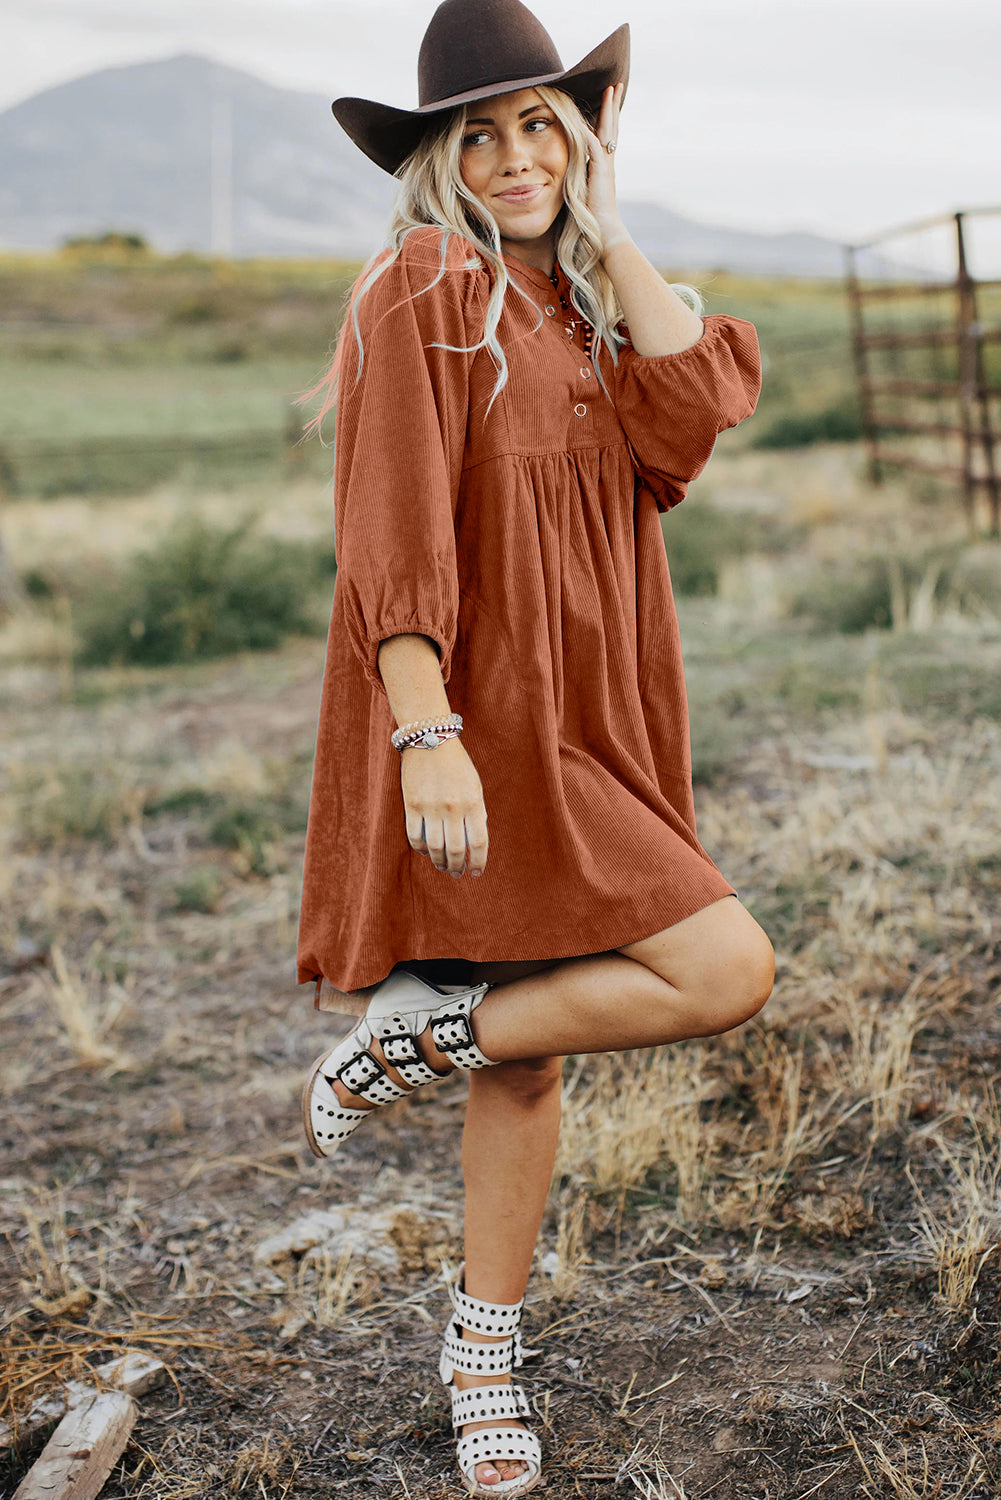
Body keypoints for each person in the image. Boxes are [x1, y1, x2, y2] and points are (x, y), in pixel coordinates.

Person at [296, 1, 774, 1492]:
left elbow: (689, 420)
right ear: (436, 156)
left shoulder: (579, 298)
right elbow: (384, 526)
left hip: (605, 714)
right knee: (721, 970)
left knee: (525, 1061)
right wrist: (424, 727)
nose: (512, 158)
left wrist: (612, 227)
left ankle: (479, 1351)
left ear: (580, 135)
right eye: (478, 133)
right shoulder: (423, 283)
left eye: (540, 125)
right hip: (489, 720)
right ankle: (424, 1056)